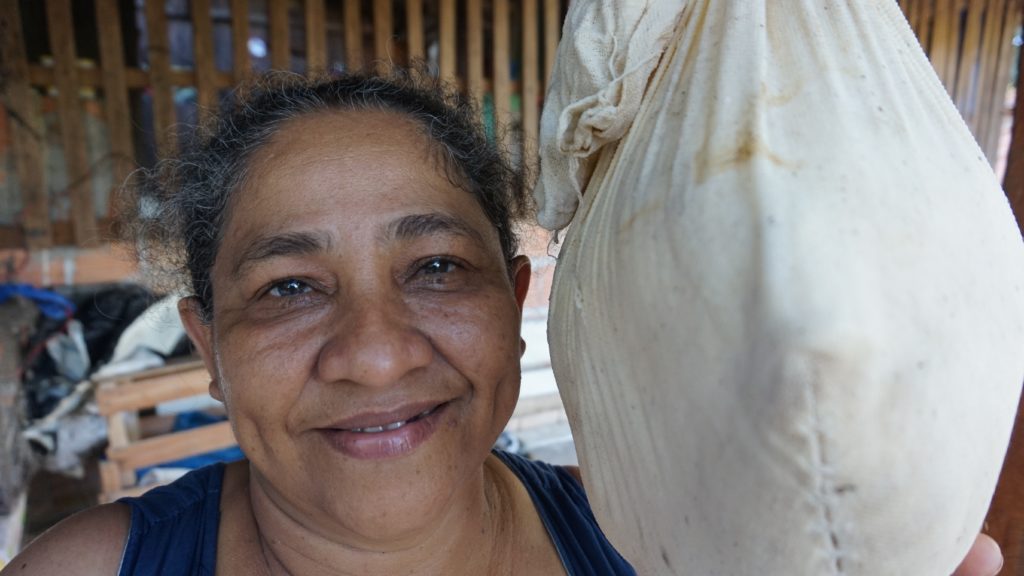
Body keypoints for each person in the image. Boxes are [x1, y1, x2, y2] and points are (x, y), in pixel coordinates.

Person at [1, 69, 1005, 576]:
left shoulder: (666, 547)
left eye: (436, 268)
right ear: (208, 346)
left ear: (516, 303)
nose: (378, 351)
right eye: (291, 288)